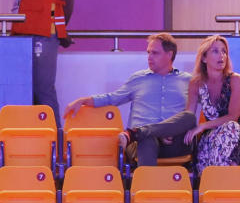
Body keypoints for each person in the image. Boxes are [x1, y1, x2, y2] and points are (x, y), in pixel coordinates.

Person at [63, 33, 192, 165]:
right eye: (148, 52)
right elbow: (112, 98)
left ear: (169, 55)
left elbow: (207, 105)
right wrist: (84, 100)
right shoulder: (138, 78)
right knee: (147, 139)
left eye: (155, 53)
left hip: (174, 142)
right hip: (140, 143)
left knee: (189, 118)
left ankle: (135, 133)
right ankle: (146, 182)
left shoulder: (188, 80)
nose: (149, 57)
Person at [186, 35, 240, 174]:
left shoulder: (235, 79)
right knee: (210, 148)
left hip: (235, 137)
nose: (221, 56)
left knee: (231, 127)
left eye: (224, 51)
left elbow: (232, 116)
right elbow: (188, 116)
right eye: (215, 51)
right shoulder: (196, 83)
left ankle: (219, 180)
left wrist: (203, 126)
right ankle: (219, 182)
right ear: (204, 58)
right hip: (210, 138)